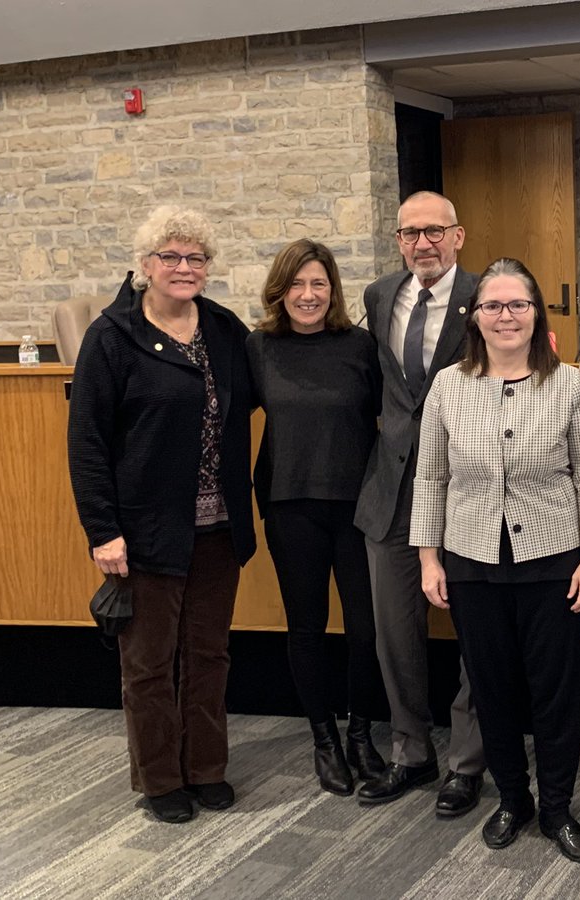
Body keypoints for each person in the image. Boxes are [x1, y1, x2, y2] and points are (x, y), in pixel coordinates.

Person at [412, 258, 580, 863]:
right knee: (493, 693)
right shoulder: (448, 385)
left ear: (536, 314)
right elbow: (431, 476)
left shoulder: (570, 383)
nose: (506, 316)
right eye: (493, 305)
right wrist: (429, 558)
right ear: (475, 317)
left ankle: (556, 808)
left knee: (557, 694)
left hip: (554, 562)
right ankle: (512, 800)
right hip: (472, 561)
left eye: (518, 305)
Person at [67, 206, 255, 824]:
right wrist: (103, 532)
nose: (182, 267)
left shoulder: (225, 330)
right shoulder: (113, 335)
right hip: (145, 532)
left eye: (194, 258)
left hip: (219, 528)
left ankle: (205, 768)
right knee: (148, 664)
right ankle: (159, 778)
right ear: (146, 265)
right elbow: (88, 441)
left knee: (209, 653)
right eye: (169, 257)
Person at [353, 191, 486, 817]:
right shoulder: (381, 296)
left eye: (434, 231)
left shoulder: (490, 295)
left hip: (472, 491)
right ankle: (411, 749)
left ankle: (467, 761)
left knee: (474, 633)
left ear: (458, 236)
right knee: (394, 631)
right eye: (410, 233)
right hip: (392, 489)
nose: (422, 244)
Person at [247, 239, 385, 796]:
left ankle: (361, 735)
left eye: (319, 284)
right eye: (297, 285)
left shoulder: (361, 346)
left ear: (332, 291)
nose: (308, 295)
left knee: (364, 630)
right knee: (306, 627)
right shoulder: (258, 348)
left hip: (357, 506)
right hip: (290, 505)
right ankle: (323, 739)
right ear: (280, 291)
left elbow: (386, 418)